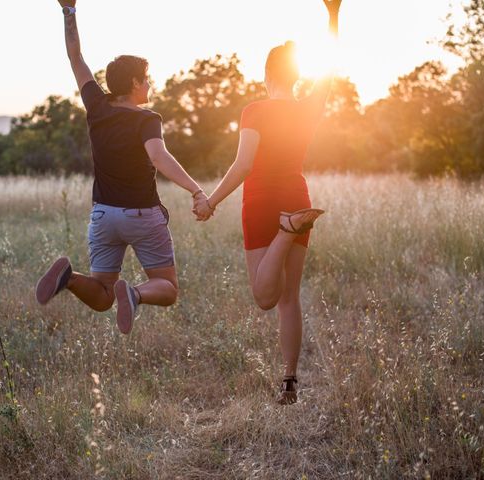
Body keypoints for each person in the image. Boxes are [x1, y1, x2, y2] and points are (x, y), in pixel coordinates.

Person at [36, 0, 209, 335]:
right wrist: (196, 190)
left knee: (102, 296)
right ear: (133, 83)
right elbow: (159, 158)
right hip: (141, 216)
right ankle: (135, 293)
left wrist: (68, 11)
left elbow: (75, 57)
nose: (149, 85)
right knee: (167, 288)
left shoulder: (97, 107)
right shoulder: (147, 119)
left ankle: (69, 279)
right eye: (146, 80)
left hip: (103, 217)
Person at [193, 12, 335, 404]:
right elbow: (332, 67)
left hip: (261, 201)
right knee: (289, 297)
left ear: (266, 74)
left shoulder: (254, 110)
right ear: (296, 75)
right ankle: (289, 381)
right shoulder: (309, 107)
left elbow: (243, 165)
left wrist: (211, 202)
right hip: (297, 196)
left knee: (263, 297)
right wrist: (334, 16)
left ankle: (286, 231)